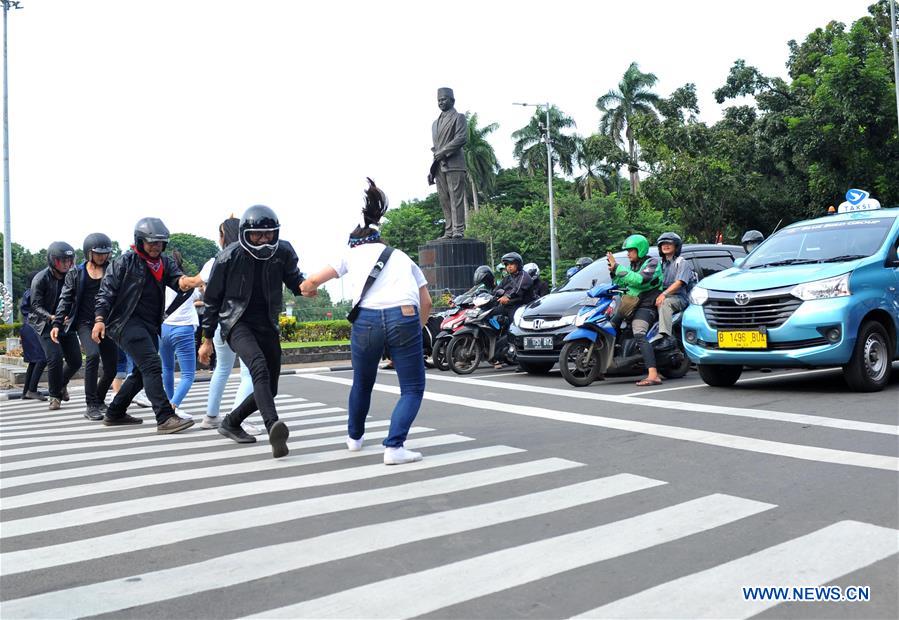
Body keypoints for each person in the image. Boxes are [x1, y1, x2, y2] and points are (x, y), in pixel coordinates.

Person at [301, 178, 432, 465]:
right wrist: (414, 332)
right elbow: (427, 303)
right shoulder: (402, 257)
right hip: (405, 316)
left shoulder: (349, 253)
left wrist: (309, 291)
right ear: (379, 240)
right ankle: (394, 447)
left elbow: (309, 283)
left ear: (354, 241)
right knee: (411, 388)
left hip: (367, 320)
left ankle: (354, 439)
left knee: (362, 382)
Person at [199, 205, 307, 458]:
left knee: (270, 388)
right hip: (236, 322)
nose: (263, 239)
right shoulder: (227, 257)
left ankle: (231, 422)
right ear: (245, 234)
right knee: (258, 367)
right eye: (257, 234)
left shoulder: (283, 252)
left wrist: (307, 287)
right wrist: (207, 339)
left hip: (267, 324)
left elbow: (295, 280)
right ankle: (273, 427)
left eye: (269, 234)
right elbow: (212, 300)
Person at [93, 217, 198, 433]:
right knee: (152, 364)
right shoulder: (124, 262)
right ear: (140, 241)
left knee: (142, 372)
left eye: (160, 242)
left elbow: (179, 281)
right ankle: (164, 417)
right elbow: (106, 292)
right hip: (125, 322)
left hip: (149, 325)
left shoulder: (164, 263)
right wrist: (99, 320)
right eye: (151, 242)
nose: (156, 246)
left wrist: (196, 280)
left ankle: (115, 413)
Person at [193, 216, 257, 434]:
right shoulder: (250, 257)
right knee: (248, 372)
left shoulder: (214, 261)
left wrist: (207, 337)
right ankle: (237, 419)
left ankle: (211, 416)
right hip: (243, 323)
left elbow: (199, 286)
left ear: (223, 236)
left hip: (220, 323)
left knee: (222, 368)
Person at [51, 233, 117, 420]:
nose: (102, 257)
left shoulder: (112, 270)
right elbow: (65, 298)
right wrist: (56, 323)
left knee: (112, 367)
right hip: (85, 323)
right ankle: (91, 405)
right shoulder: (76, 273)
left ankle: (100, 399)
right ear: (89, 253)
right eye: (98, 253)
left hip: (107, 323)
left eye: (105, 253)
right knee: (93, 355)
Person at [29, 241, 82, 410]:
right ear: (53, 260)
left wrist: (70, 316)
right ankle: (54, 396)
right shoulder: (41, 278)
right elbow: (35, 306)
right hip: (44, 323)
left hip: (64, 323)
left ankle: (61, 384)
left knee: (76, 361)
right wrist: (51, 317)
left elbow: (76, 299)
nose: (66, 264)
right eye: (62, 261)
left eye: (69, 260)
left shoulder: (73, 276)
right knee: (55, 358)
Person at [607, 234, 663, 386]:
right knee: (610, 327)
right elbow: (623, 282)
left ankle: (653, 374)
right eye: (628, 251)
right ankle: (601, 366)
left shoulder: (653, 263)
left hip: (646, 305)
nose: (628, 254)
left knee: (639, 333)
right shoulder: (634, 266)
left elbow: (639, 280)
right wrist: (613, 271)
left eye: (631, 250)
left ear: (640, 249)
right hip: (630, 304)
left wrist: (618, 267)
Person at [159, 250, 202, 420]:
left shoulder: (161, 284)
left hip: (164, 328)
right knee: (188, 375)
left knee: (167, 368)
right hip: (183, 329)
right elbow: (201, 294)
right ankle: (172, 406)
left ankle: (170, 403)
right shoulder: (188, 284)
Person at [428, 87, 468, 239]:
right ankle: (449, 230)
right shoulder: (434, 124)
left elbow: (461, 138)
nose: (441, 102)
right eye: (439, 100)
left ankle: (458, 229)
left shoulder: (459, 117)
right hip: (439, 165)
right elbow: (436, 147)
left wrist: (443, 152)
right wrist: (432, 169)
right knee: (444, 199)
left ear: (452, 100)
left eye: (443, 99)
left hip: (454, 164)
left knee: (456, 198)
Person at [654, 232, 694, 349]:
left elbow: (679, 282)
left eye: (669, 243)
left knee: (664, 303)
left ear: (676, 246)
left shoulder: (681, 262)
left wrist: (664, 294)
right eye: (663, 244)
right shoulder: (660, 264)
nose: (665, 246)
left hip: (679, 298)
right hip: (663, 295)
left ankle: (667, 338)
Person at [19, 272, 47, 401]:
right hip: (34, 327)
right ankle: (32, 390)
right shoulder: (34, 293)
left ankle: (26, 391)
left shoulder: (28, 292)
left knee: (34, 360)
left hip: (28, 327)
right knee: (42, 358)